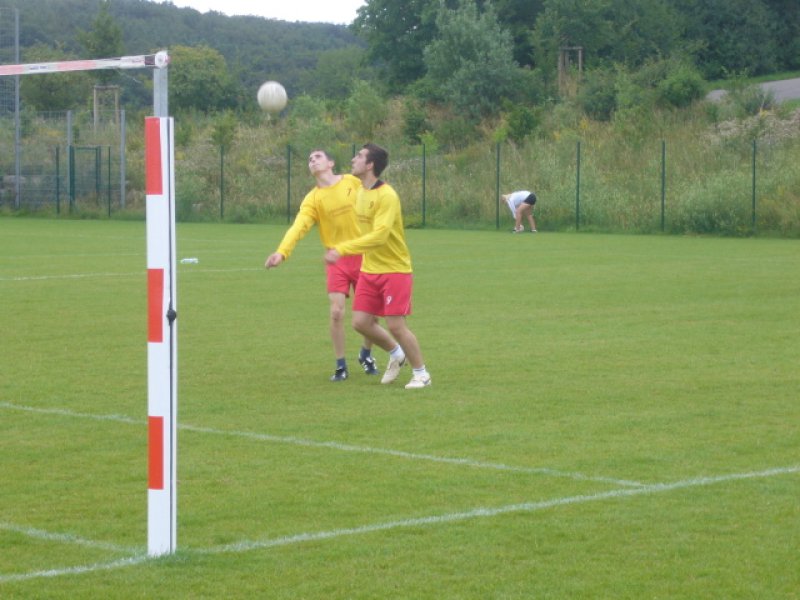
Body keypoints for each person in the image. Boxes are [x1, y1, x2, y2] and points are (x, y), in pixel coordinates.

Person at [265, 149, 379, 382]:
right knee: (336, 312)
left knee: (370, 315)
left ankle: (366, 354)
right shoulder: (313, 199)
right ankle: (340, 365)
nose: (313, 161)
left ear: (331, 162)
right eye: (309, 159)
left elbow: (374, 201)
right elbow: (299, 227)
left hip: (363, 255)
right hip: (335, 259)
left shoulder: (351, 181)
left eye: (317, 157)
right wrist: (282, 252)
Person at [324, 143, 432, 390]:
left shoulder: (387, 195)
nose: (354, 159)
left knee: (396, 325)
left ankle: (422, 374)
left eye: (359, 156)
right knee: (360, 322)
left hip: (395, 269)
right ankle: (396, 354)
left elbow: (380, 235)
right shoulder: (361, 192)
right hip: (370, 270)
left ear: (370, 165)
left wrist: (342, 249)